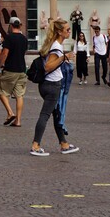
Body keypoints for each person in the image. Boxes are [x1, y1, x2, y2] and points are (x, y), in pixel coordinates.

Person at [30, 19, 79, 156]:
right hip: (52, 86)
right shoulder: (56, 47)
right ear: (59, 32)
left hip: (46, 84)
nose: (69, 31)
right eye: (67, 29)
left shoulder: (53, 44)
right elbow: (48, 66)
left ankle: (64, 144)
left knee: (57, 114)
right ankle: (35, 145)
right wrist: (64, 57)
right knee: (45, 115)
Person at [0, 17, 28, 127]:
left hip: (10, 69)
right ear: (20, 25)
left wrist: (0, 64)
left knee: (1, 92)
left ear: (10, 26)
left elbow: (5, 53)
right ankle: (18, 121)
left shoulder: (9, 38)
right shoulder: (24, 39)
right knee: (19, 95)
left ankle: (10, 112)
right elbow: (24, 52)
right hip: (22, 69)